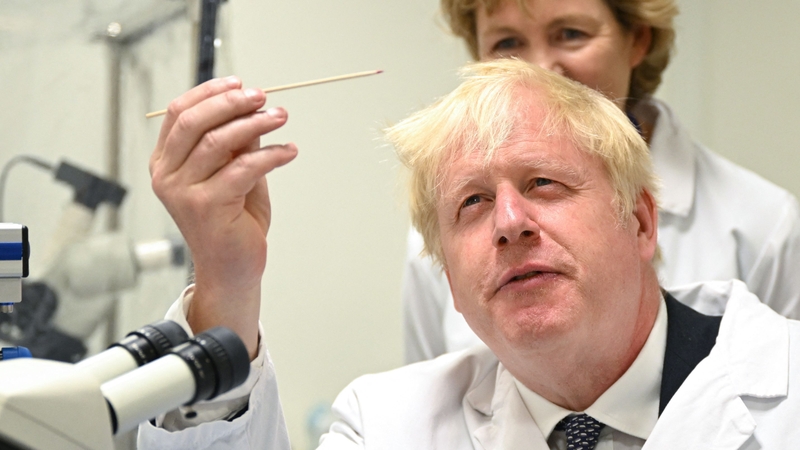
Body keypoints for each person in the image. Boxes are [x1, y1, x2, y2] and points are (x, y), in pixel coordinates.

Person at [139, 59, 800, 449]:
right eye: (473, 204)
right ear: (449, 280)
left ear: (641, 222)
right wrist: (226, 276)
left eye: (543, 183)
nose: (509, 223)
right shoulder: (388, 427)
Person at [404, 0, 800, 364]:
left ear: (637, 39)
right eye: (508, 42)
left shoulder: (763, 221)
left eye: (570, 34)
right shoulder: (450, 234)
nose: (540, 69)